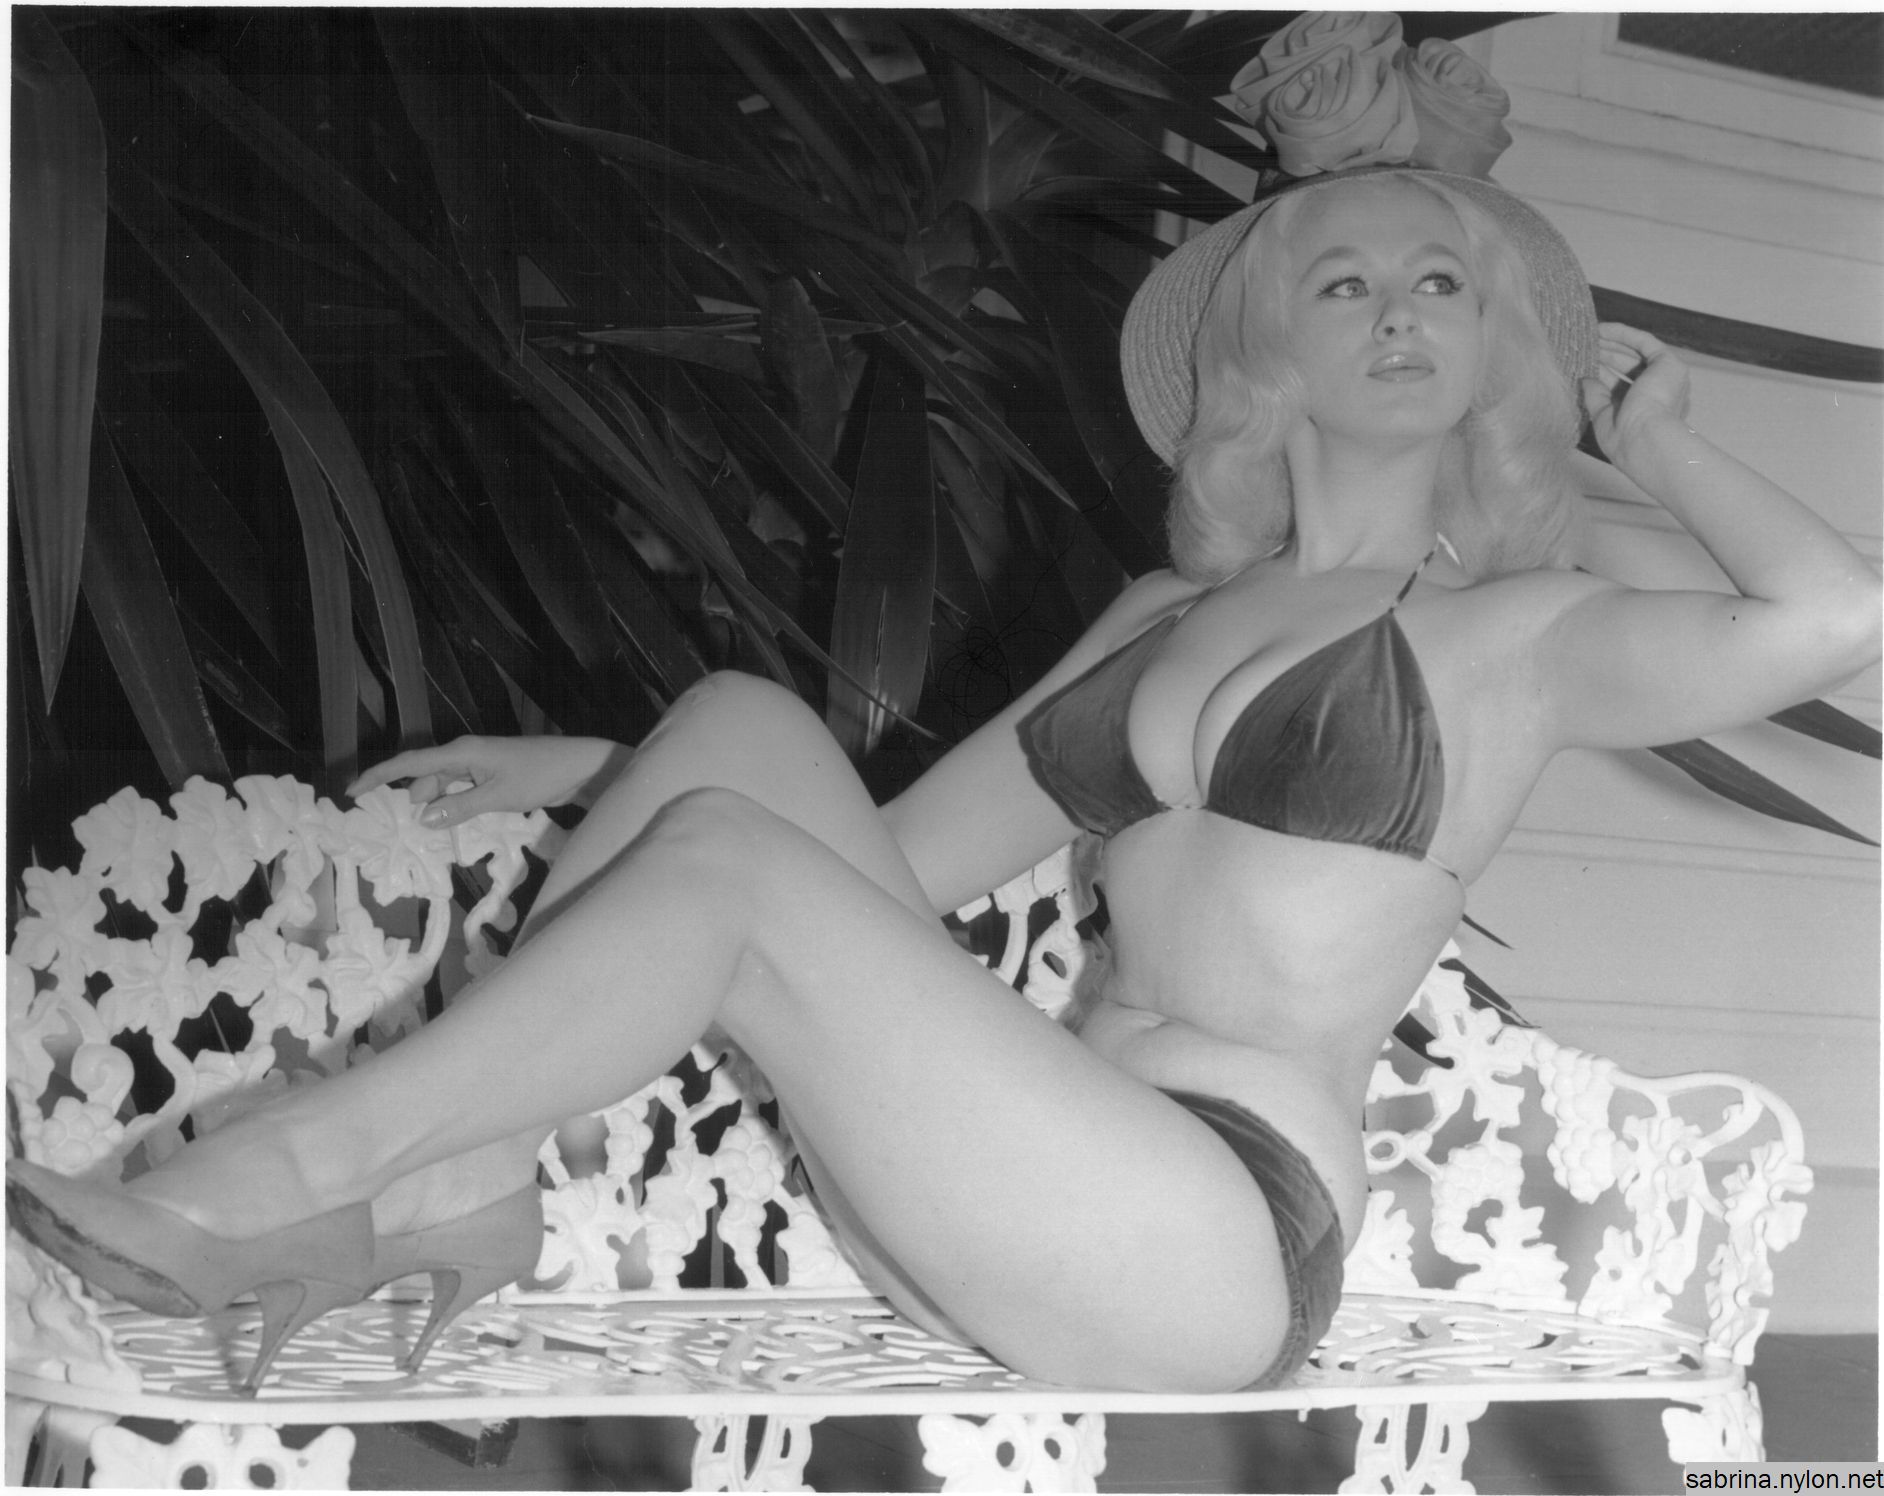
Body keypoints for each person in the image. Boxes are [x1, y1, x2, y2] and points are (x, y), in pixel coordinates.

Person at [9, 161, 1878, 1399]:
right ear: (1268, 352)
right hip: (1003, 1204)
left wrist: (1653, 441)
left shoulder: (1517, 634)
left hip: (1216, 1248)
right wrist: (598, 771)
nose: (1398, 309)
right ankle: (467, 1185)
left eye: (1442, 282)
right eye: (1345, 279)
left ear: (1488, 351)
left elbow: (1833, 616)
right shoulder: (1162, 616)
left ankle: (305, 1171)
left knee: (733, 849)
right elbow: (889, 865)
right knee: (740, 724)